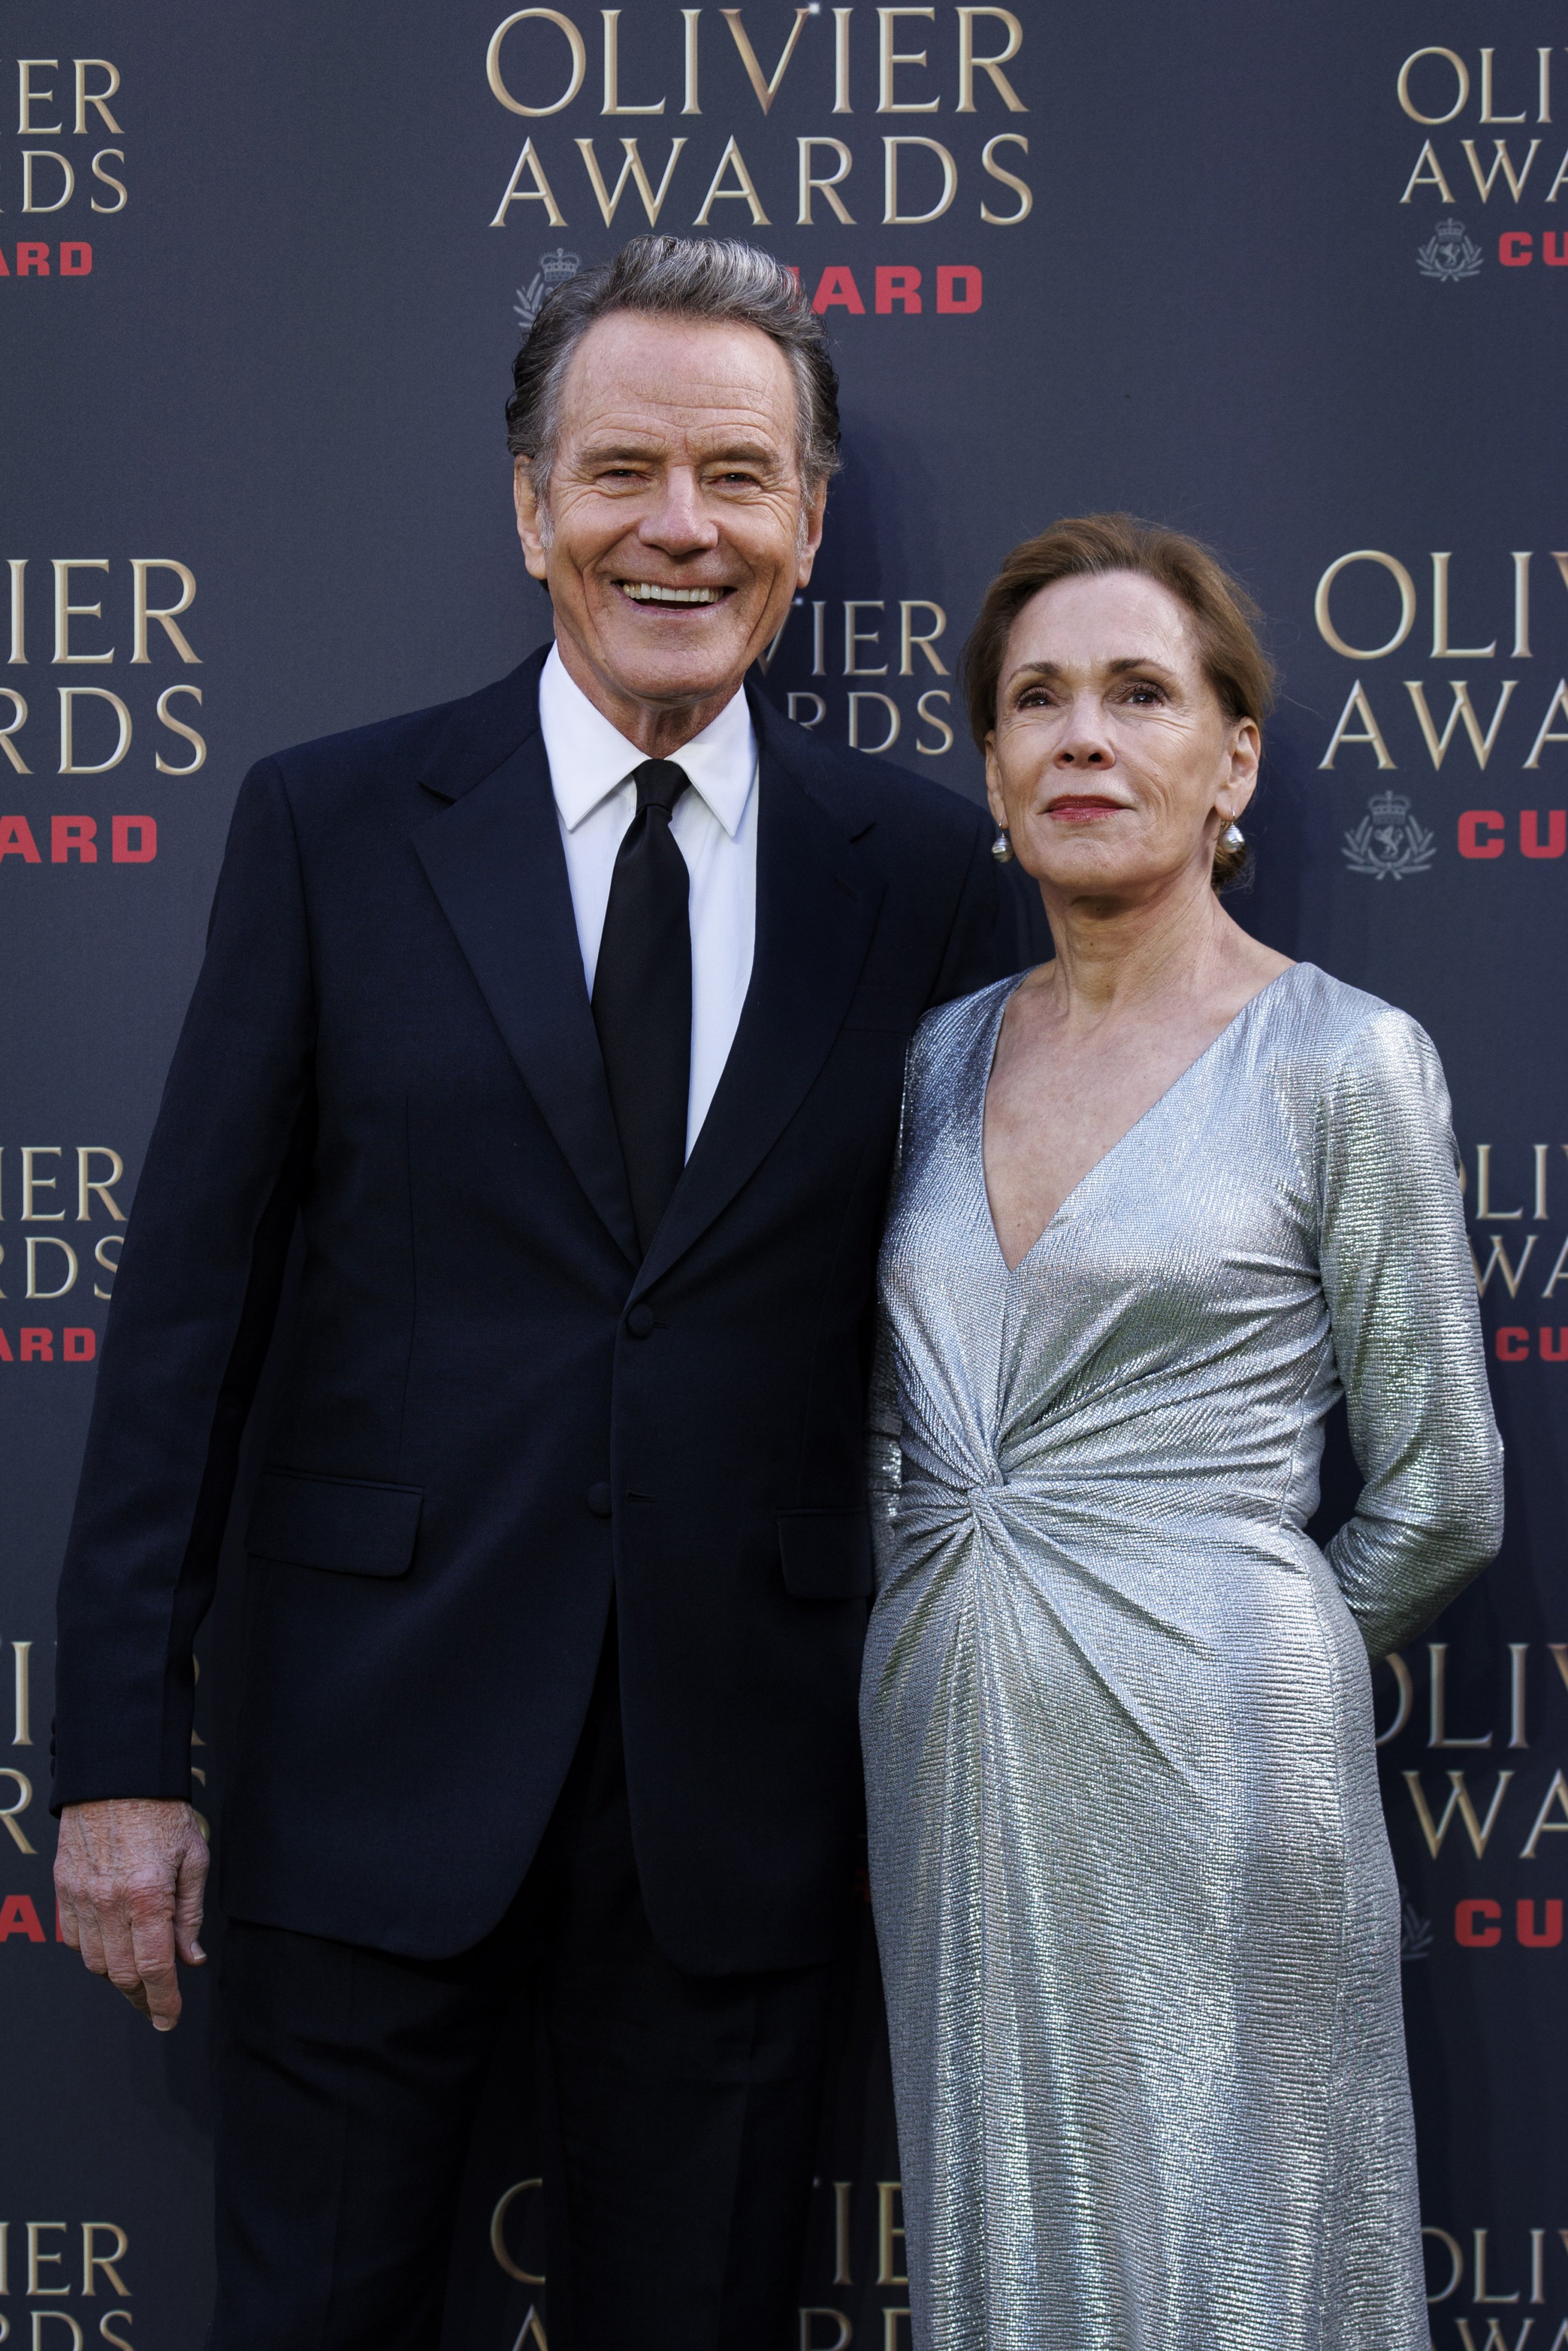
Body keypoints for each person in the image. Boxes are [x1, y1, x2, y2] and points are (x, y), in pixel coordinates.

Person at [49, 235, 1040, 2351]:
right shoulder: (330, 826)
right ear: (528, 508)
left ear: (808, 523)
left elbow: (981, 1348)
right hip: (359, 1773)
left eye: (737, 477)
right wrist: (120, 1759)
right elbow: (187, 1318)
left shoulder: (923, 882)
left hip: (743, 1801)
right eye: (620, 472)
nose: (680, 526)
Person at [861, 513, 1503, 2351]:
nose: (1082, 735)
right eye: (1035, 699)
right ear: (992, 766)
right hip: (945, 1754)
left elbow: (1444, 1489)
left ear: (1231, 762)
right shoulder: (931, 1060)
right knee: (1001, 2231)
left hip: (1221, 1769)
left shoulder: (1338, 1060)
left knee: (1234, 2260)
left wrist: (1231, 1647)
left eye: (1138, 693)